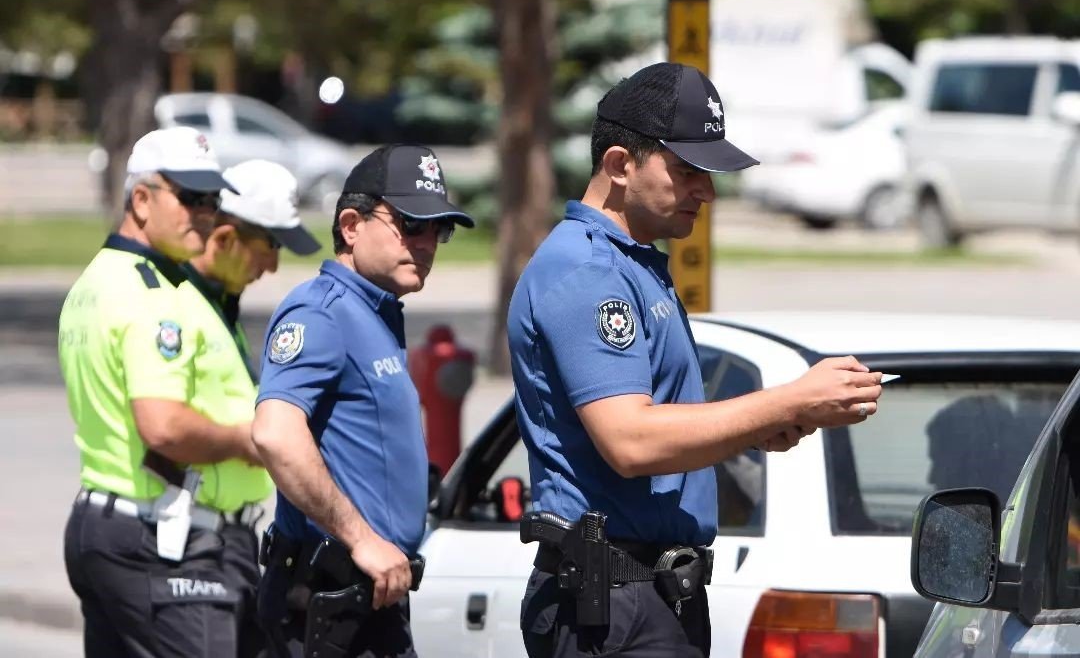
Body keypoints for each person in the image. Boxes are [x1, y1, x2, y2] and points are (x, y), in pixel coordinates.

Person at [508, 62, 886, 657]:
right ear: (618, 165)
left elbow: (658, 426)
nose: (706, 192)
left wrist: (758, 424)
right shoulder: (586, 271)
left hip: (648, 592)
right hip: (610, 603)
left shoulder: (630, 263)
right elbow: (631, 441)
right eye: (687, 172)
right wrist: (789, 398)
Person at [251, 144, 475, 657]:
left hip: (368, 597)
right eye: (409, 224)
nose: (426, 243)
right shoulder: (321, 313)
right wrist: (362, 539)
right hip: (325, 599)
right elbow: (274, 433)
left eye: (438, 229)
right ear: (351, 225)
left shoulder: (374, 312)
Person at [59, 126, 268, 658]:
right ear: (142, 199)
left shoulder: (93, 282)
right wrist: (248, 440)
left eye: (212, 200)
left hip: (104, 523)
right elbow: (164, 426)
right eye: (190, 197)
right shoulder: (153, 298)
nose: (204, 212)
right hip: (157, 538)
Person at [180, 158, 322, 657]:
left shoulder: (221, 305)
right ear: (225, 237)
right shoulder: (178, 306)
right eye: (271, 247)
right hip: (188, 542)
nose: (274, 267)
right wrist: (250, 441)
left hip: (228, 539)